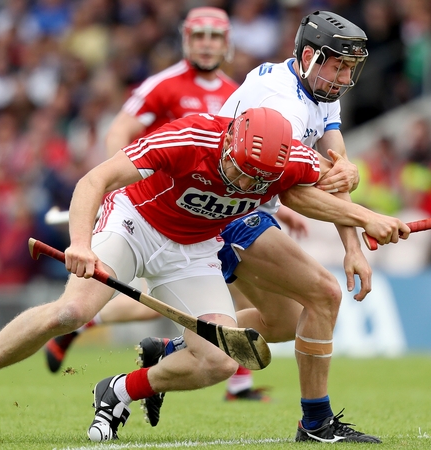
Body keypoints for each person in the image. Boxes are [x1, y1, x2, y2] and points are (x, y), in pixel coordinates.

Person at [0, 107, 409, 443]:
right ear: (231, 137)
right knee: (71, 311)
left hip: (193, 250)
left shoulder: (287, 160)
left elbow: (321, 188)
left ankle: (120, 391)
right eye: (238, 169)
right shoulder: (189, 137)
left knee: (216, 363)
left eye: (257, 179)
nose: (243, 183)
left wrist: (362, 212)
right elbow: (94, 180)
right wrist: (80, 244)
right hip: (134, 223)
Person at [142, 10, 385, 443]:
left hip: (248, 206)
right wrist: (370, 219)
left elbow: (335, 171)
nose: (346, 76)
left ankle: (171, 350)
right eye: (339, 65)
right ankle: (316, 423)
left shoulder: (321, 86)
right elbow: (296, 193)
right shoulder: (281, 102)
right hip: (224, 210)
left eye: (351, 66)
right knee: (325, 294)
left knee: (281, 324)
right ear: (310, 56)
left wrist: (354, 247)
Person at [41, 6, 291, 403]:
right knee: (162, 302)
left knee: (233, 293)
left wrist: (283, 209)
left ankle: (231, 379)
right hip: (156, 209)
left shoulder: (238, 94)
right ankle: (90, 328)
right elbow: (120, 131)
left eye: (215, 37)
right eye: (199, 36)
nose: (207, 44)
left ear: (227, 44)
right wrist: (115, 185)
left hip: (211, 212)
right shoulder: (163, 84)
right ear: (185, 40)